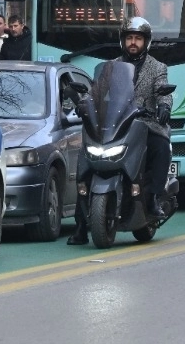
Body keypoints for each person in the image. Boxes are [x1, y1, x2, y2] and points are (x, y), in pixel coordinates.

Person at [69, 17, 172, 245]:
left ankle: (153, 197)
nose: (133, 43)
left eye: (137, 38)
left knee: (161, 147)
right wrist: (84, 103)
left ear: (146, 42)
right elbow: (96, 92)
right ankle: (79, 226)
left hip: (146, 122)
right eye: (129, 38)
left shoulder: (157, 67)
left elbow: (163, 91)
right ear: (122, 41)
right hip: (114, 123)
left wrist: (164, 105)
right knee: (85, 160)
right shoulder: (111, 66)